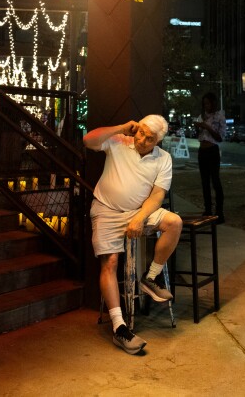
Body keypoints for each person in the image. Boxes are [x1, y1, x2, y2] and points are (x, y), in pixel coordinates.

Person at [83, 115, 183, 355]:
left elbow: (157, 195)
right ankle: (119, 327)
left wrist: (139, 218)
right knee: (111, 262)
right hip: (106, 210)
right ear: (137, 128)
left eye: (150, 139)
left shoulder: (163, 158)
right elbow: (88, 140)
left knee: (174, 222)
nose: (143, 140)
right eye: (141, 133)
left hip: (139, 212)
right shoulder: (118, 141)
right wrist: (120, 127)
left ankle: (150, 278)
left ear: (158, 141)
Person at [194, 92, 226, 222]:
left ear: (213, 103)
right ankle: (207, 210)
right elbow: (200, 135)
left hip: (212, 150)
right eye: (204, 103)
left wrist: (207, 127)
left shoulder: (219, 116)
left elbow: (220, 137)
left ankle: (219, 213)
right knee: (204, 182)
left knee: (215, 181)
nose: (206, 106)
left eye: (208, 103)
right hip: (202, 151)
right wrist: (199, 127)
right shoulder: (201, 116)